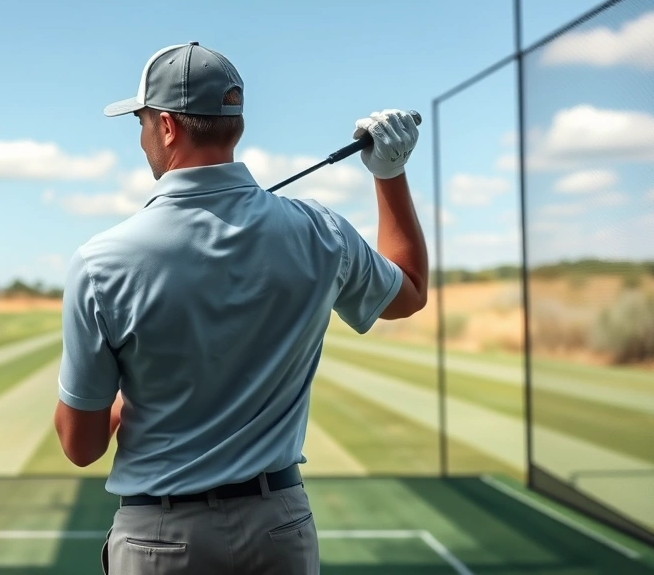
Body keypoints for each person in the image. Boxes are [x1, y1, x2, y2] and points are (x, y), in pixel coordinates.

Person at [53, 41, 426, 574]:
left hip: (160, 540)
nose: (140, 138)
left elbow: (80, 445)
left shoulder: (101, 260)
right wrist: (389, 173)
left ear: (165, 126)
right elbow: (408, 292)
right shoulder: (321, 231)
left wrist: (130, 397)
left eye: (139, 123)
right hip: (279, 529)